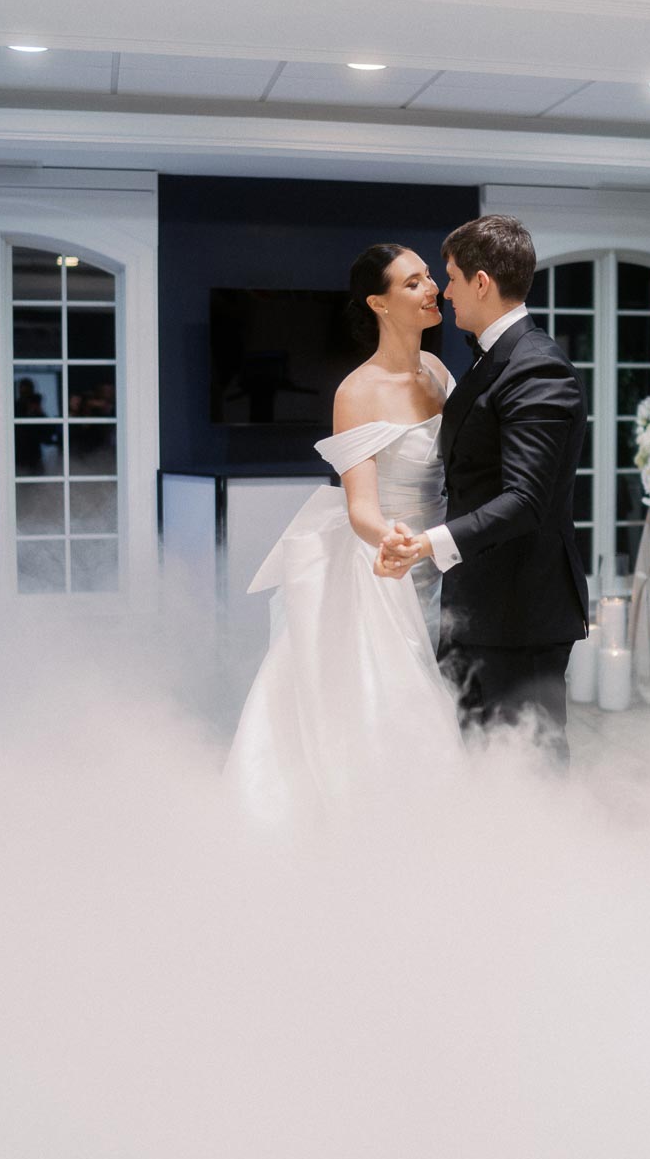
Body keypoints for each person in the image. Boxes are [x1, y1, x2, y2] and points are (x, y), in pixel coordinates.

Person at [224, 244, 462, 828]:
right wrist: (398, 542)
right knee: (386, 708)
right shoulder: (356, 392)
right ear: (379, 303)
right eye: (413, 283)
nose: (431, 287)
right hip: (390, 566)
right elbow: (360, 508)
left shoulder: (439, 371)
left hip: (443, 557)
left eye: (430, 276)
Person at [378, 215, 589, 765]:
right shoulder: (492, 357)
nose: (443, 293)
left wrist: (428, 544)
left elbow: (525, 500)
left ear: (480, 282)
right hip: (482, 607)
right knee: (481, 766)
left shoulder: (537, 367)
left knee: (530, 770)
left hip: (521, 614)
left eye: (449, 278)